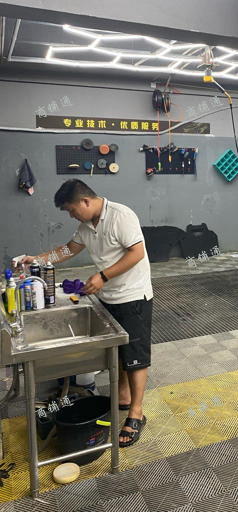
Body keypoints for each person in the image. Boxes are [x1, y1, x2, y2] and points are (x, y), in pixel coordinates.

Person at [17, 179, 153, 447]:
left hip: (133, 296)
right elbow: (67, 250)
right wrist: (37, 260)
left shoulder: (121, 216)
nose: (71, 216)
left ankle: (136, 413)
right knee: (120, 351)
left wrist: (102, 276)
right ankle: (124, 396)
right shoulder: (86, 227)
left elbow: (137, 253)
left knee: (136, 356)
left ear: (85, 201)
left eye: (72, 210)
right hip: (108, 296)